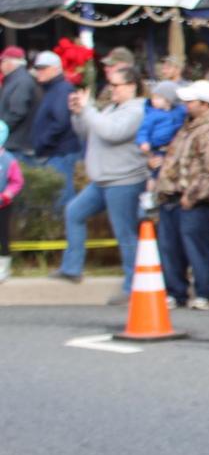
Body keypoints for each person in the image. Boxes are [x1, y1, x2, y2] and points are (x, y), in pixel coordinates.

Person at [54, 66, 146, 304]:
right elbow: (89, 132)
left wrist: (88, 110)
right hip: (102, 180)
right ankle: (71, 267)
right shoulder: (111, 108)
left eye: (116, 85)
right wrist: (78, 114)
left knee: (125, 233)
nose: (111, 89)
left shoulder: (137, 110)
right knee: (74, 212)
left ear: (131, 86)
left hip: (124, 180)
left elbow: (111, 132)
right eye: (110, 84)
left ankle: (133, 286)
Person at [153, 80, 209, 311]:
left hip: (195, 200)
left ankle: (204, 293)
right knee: (171, 248)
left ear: (205, 104)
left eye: (191, 101)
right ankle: (176, 292)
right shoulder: (189, 126)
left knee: (197, 248)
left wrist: (194, 195)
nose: (186, 105)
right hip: (173, 195)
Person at [26, 51, 82, 208]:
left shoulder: (62, 89)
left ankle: (65, 224)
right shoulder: (53, 89)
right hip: (55, 152)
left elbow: (61, 122)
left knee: (62, 198)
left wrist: (43, 142)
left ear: (56, 69)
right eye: (38, 68)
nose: (39, 72)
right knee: (57, 197)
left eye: (43, 68)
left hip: (60, 153)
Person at [137, 81, 188, 178]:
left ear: (168, 100)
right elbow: (144, 130)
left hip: (174, 146)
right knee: (157, 170)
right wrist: (143, 141)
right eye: (153, 97)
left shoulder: (180, 111)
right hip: (158, 148)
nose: (154, 101)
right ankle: (153, 185)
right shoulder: (152, 114)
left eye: (158, 98)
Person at [0, 46, 37, 155]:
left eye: (2, 61)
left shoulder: (21, 81)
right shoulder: (15, 79)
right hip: (15, 142)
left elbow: (17, 112)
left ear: (9, 63)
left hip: (16, 144)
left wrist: (2, 130)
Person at [0, 120, 23, 283]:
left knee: (3, 237)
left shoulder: (8, 160)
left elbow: (17, 181)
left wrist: (7, 195)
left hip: (3, 206)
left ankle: (4, 269)